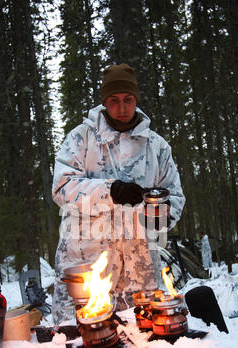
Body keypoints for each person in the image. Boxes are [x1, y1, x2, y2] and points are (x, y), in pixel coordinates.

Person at [51, 63, 185, 323]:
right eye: (114, 101)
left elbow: (175, 197)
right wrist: (110, 191)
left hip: (140, 272)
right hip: (88, 268)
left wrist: (156, 215)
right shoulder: (81, 140)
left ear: (136, 99)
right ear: (104, 102)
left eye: (128, 100)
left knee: (148, 344)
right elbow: (62, 187)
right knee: (80, 341)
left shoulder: (156, 147)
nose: (122, 108)